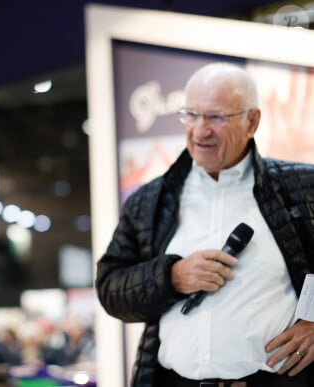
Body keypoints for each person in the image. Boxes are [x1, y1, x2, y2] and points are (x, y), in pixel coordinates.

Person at [96, 62, 314, 387]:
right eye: (191, 115)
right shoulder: (149, 201)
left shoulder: (302, 186)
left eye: (216, 117)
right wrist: (172, 277)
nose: (200, 131)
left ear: (251, 121)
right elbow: (110, 288)